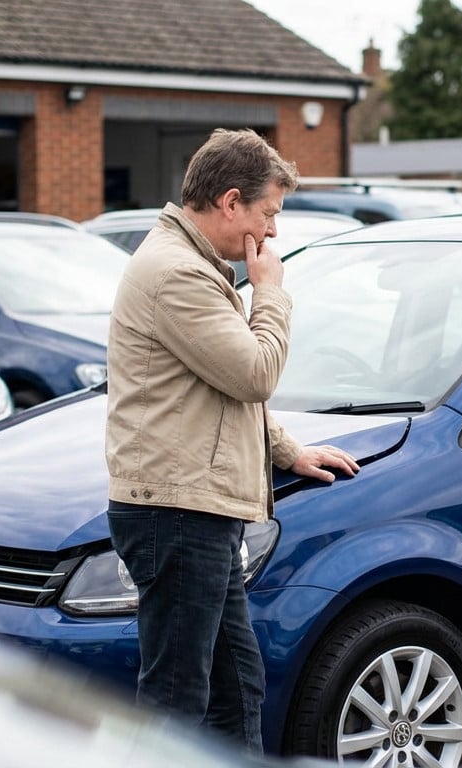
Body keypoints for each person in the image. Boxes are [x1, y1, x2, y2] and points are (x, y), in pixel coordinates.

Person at [103, 128, 359, 752]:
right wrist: (269, 291)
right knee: (178, 697)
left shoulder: (189, 265)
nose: (272, 232)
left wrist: (286, 451)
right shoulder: (176, 274)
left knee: (236, 686)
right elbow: (254, 371)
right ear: (231, 202)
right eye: (269, 214)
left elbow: (219, 389)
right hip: (179, 510)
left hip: (196, 507)